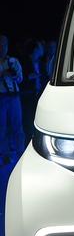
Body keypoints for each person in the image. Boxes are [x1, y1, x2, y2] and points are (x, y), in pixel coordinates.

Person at [0, 34, 26, 164]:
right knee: (2, 127)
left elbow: (20, 79)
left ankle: (21, 152)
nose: (2, 47)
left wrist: (15, 74)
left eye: (4, 44)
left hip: (14, 97)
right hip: (1, 98)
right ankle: (4, 154)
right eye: (0, 44)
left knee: (17, 125)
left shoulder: (13, 61)